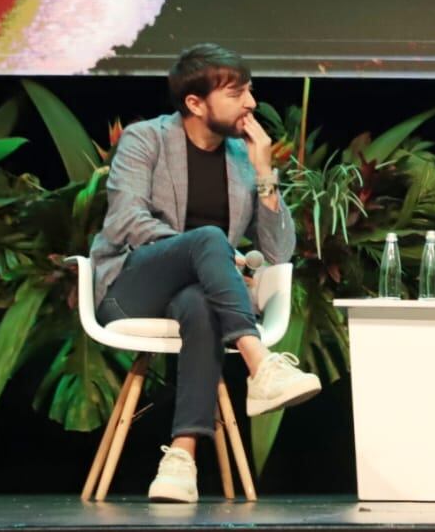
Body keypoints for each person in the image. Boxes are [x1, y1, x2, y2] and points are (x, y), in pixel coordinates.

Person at [89, 43, 321, 503]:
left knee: (199, 303)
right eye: (237, 93)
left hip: (197, 296)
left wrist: (264, 173)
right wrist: (204, 248)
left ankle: (181, 458)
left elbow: (278, 251)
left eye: (249, 91)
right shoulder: (146, 139)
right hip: (130, 288)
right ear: (195, 103)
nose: (251, 104)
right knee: (209, 238)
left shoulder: (240, 157)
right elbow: (124, 221)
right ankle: (260, 365)